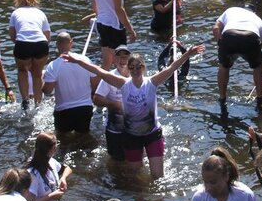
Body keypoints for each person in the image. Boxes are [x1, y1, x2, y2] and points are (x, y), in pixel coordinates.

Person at [62, 45, 203, 178]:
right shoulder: (123, 84)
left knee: (158, 176)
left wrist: (188, 54)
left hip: (152, 134)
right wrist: (77, 60)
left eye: (138, 67)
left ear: (143, 67)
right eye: (132, 68)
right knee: (135, 175)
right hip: (132, 136)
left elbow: (172, 67)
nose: (135, 70)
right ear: (128, 69)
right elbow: (99, 71)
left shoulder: (152, 82)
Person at [213, 6, 262, 111]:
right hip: (250, 37)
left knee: (224, 66)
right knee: (258, 67)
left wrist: (220, 43)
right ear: (254, 12)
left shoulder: (231, 10)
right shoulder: (258, 19)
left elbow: (215, 28)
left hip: (229, 35)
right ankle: (260, 99)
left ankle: (222, 98)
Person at [42, 31, 97, 133]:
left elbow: (47, 91)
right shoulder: (85, 60)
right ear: (71, 43)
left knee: (62, 140)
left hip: (64, 110)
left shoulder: (53, 66)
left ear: (57, 45)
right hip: (85, 108)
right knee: (84, 136)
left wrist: (42, 80)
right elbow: (95, 85)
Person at [9, 0, 52, 111]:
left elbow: (12, 34)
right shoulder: (40, 13)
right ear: (35, 0)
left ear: (19, 0)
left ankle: (25, 100)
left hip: (22, 43)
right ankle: (38, 103)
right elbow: (47, 35)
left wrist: (20, 44)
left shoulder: (16, 13)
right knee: (37, 74)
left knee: (22, 71)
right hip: (41, 43)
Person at [91, 0, 136, 70]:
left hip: (101, 23)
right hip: (114, 25)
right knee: (122, 62)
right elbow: (119, 9)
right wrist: (131, 30)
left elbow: (94, 2)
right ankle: (123, 87)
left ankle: (101, 86)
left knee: (106, 61)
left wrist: (98, 16)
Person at [93, 44, 131, 160]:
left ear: (130, 59)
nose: (122, 60)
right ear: (114, 60)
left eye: (125, 57)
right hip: (114, 124)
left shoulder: (136, 75)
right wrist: (113, 104)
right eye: (119, 57)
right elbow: (96, 99)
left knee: (134, 158)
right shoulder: (109, 77)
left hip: (133, 124)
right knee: (116, 159)